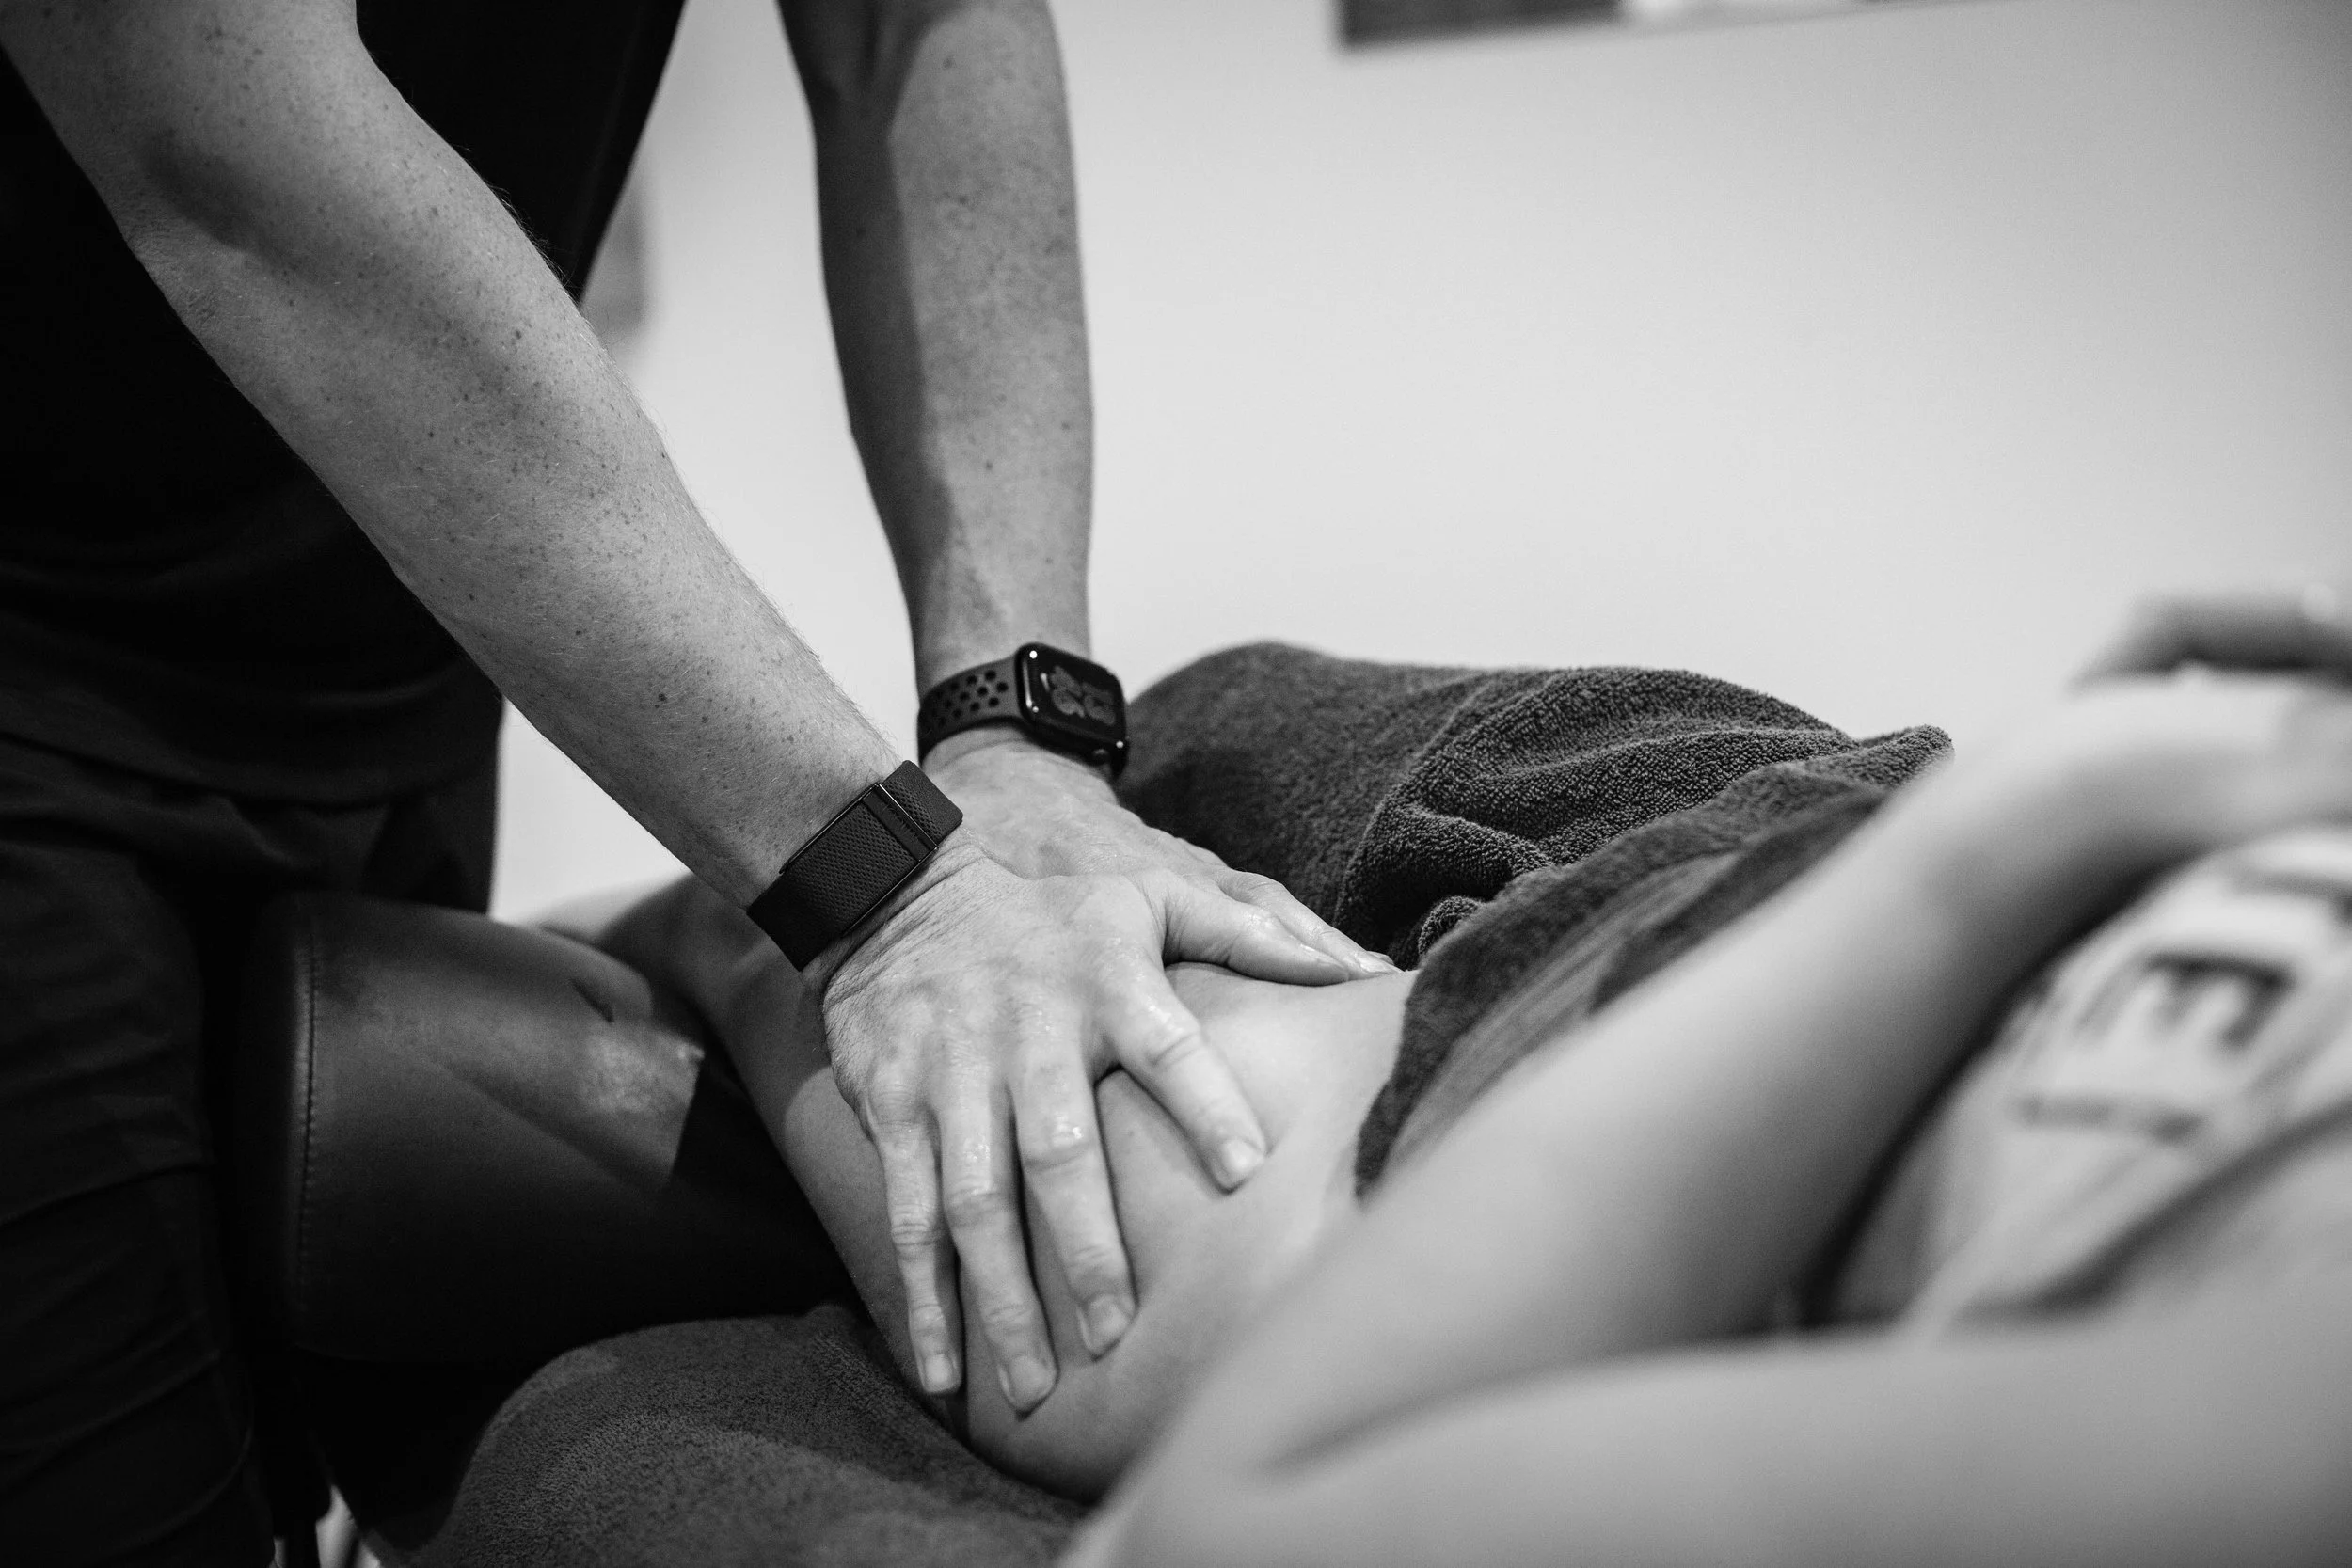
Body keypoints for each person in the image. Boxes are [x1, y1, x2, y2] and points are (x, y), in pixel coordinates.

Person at [0, 3, 1383, 1561]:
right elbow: (222, 150)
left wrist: (1018, 732)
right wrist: (888, 894)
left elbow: (915, 29)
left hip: (397, 663)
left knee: (343, 1405)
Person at [567, 589, 2352, 1560]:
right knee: (1198, 714)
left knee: (847, 959)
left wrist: (2036, 824)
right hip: (1841, 805)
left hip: (1615, 1098)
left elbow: (1220, 1537)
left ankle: (609, 930)